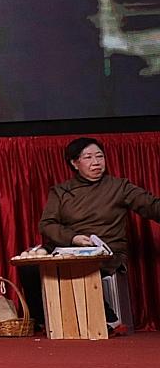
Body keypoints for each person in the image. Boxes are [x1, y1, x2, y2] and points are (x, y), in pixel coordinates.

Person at [29, 137, 160, 331]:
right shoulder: (61, 191)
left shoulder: (119, 187)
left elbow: (151, 206)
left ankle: (108, 319)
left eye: (99, 156)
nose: (96, 162)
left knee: (82, 267)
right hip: (68, 247)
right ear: (74, 163)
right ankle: (45, 321)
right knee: (30, 268)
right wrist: (73, 238)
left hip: (106, 251)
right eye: (88, 157)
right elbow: (47, 224)